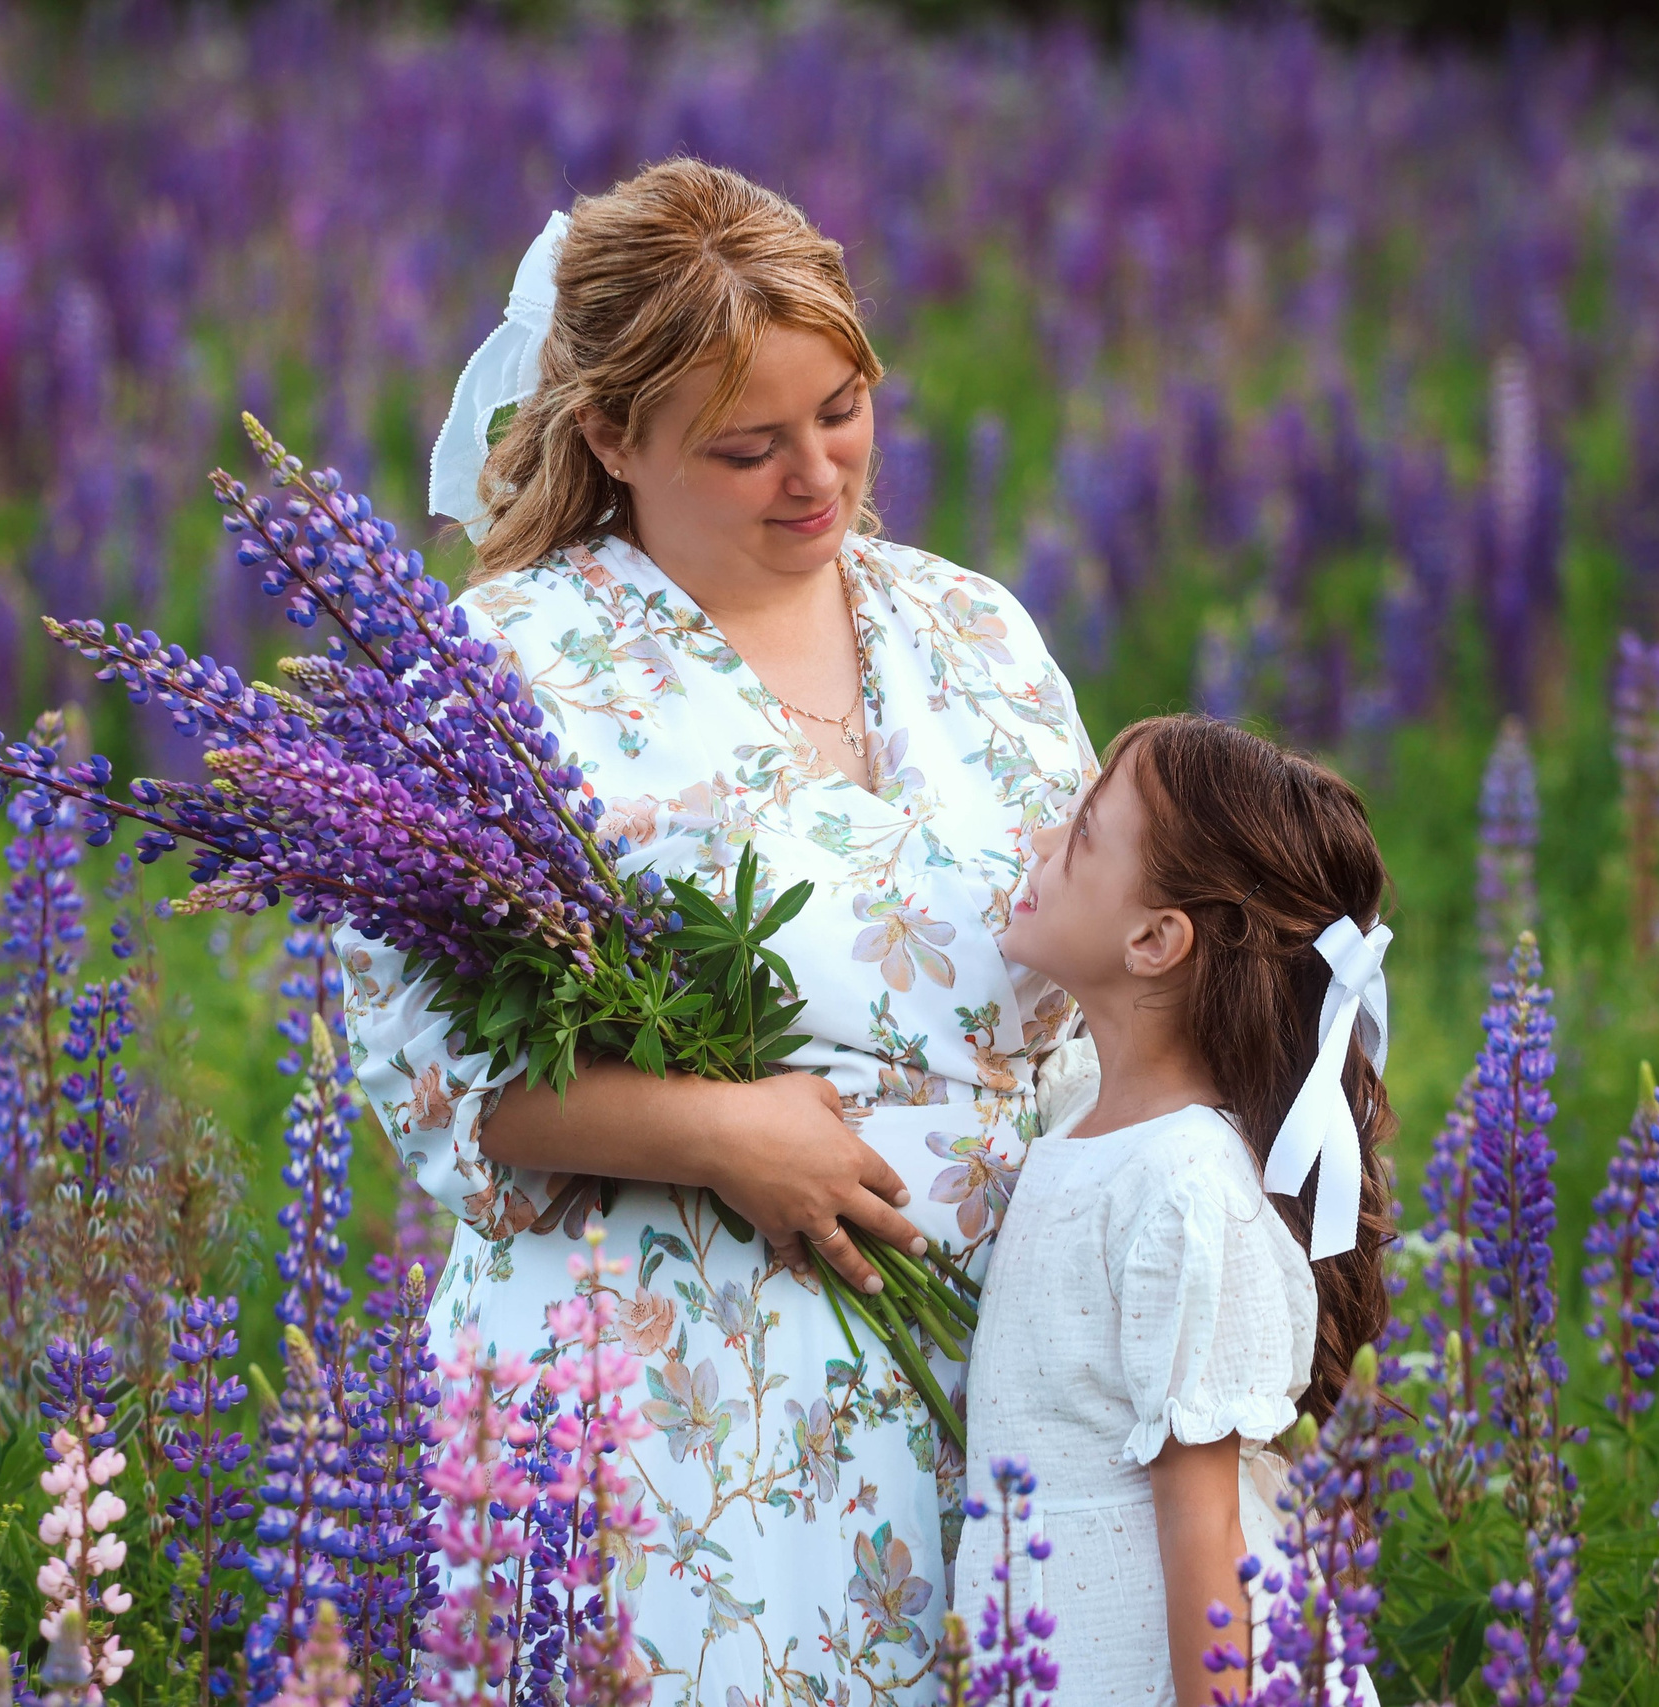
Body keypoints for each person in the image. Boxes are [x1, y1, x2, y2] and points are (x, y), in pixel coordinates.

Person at [341, 157, 1096, 1703]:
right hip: (664, 1408)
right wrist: (723, 1132)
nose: (817, 475)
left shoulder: (973, 628)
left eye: (842, 410)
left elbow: (1102, 972)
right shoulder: (507, 668)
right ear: (614, 434)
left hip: (1007, 1382)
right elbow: (424, 1068)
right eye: (748, 446)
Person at [960, 713, 1395, 1704]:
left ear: (1155, 939)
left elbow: (1211, 1548)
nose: (1037, 844)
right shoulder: (1079, 1112)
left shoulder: (1187, 1186)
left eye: (1078, 837)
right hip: (1050, 1645)